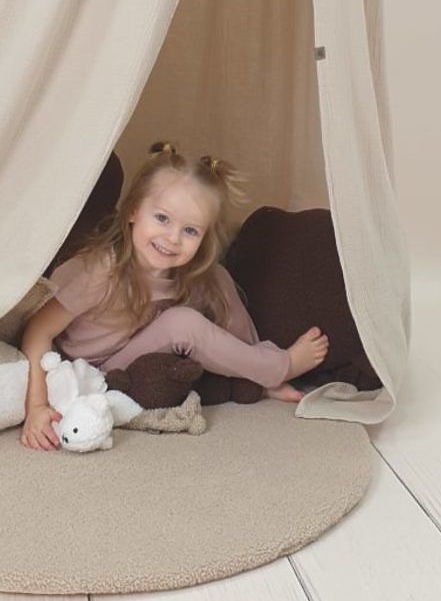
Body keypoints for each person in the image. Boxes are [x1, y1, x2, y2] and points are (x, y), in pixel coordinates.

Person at [19, 140, 330, 450]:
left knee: (215, 279)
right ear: (134, 211)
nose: (172, 238)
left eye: (190, 231)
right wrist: (37, 407)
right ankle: (278, 367)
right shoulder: (98, 272)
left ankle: (258, 371)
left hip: (133, 353)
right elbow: (38, 331)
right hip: (89, 375)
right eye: (162, 219)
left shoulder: (183, 273)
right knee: (182, 323)